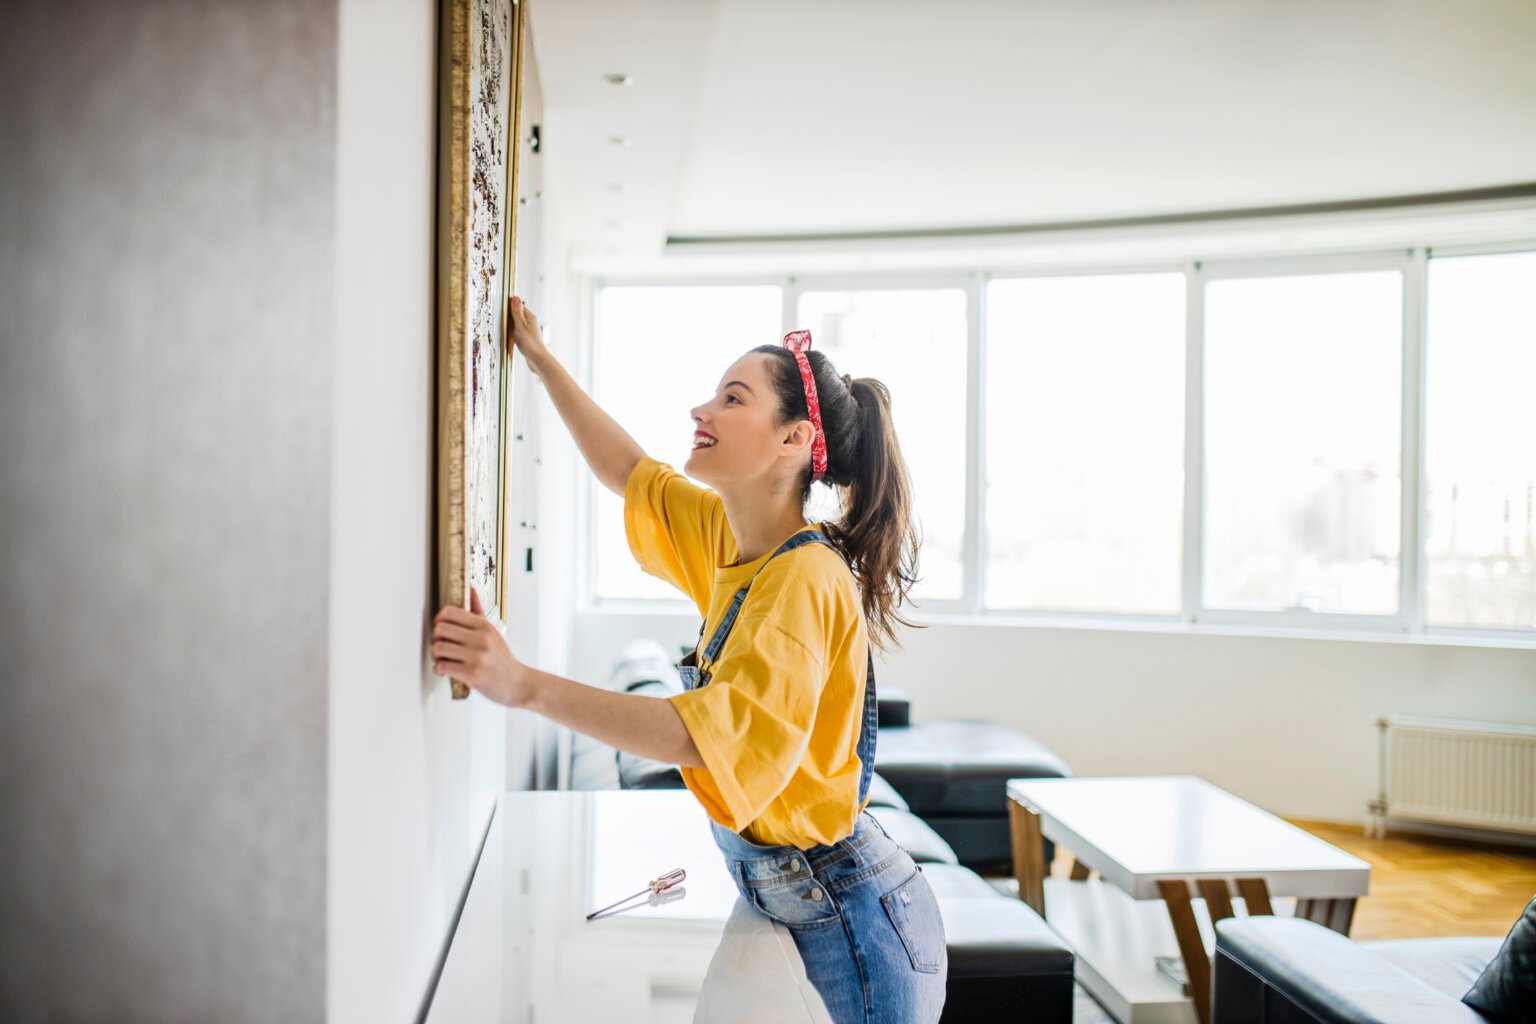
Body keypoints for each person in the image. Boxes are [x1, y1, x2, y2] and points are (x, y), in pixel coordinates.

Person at [432, 295, 947, 1022]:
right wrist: (542, 362)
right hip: (790, 894)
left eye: (731, 398)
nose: (700, 410)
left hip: (851, 927)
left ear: (792, 440)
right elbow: (628, 470)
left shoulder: (805, 578)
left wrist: (521, 685)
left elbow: (698, 734)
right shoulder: (730, 535)